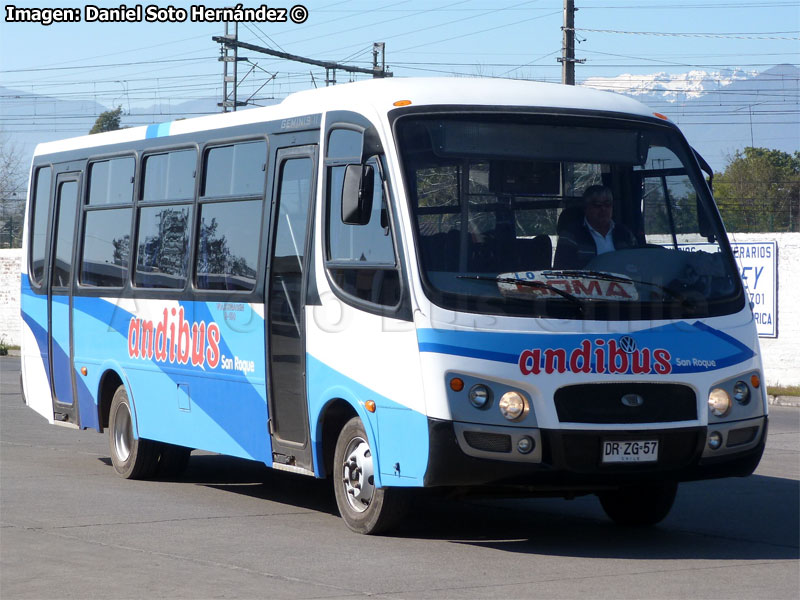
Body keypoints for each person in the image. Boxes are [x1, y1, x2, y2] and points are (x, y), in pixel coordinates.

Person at [553, 185, 637, 269]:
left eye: (607, 204)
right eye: (597, 205)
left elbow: (637, 264)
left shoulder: (625, 233)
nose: (603, 209)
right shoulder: (570, 236)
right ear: (586, 208)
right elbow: (562, 272)